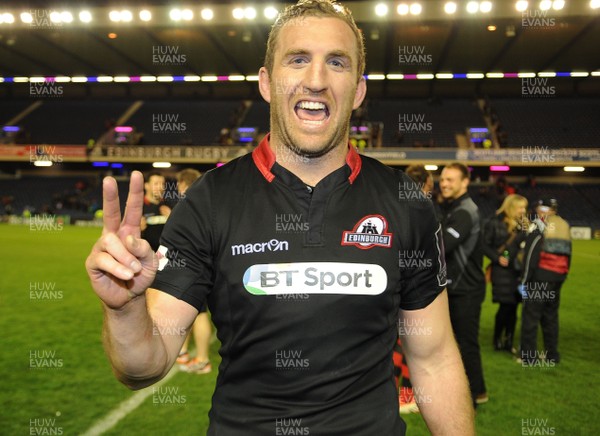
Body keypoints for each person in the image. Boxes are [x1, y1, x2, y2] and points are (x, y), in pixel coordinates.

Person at [85, 2, 474, 435]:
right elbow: (143, 366)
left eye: (337, 63)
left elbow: (433, 358)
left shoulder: (405, 202)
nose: (316, 80)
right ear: (267, 82)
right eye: (298, 59)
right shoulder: (210, 201)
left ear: (359, 90)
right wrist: (125, 308)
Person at [439, 162, 487, 406]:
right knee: (454, 343)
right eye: (443, 179)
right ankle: (467, 392)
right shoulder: (454, 208)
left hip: (466, 289)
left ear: (465, 182)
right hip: (457, 288)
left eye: (450, 180)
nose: (444, 183)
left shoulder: (465, 211)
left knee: (466, 344)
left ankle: (475, 394)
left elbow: (442, 246)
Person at [394, 164, 434, 414]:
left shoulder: (392, 204)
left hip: (396, 284)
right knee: (414, 343)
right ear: (423, 184)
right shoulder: (417, 210)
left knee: (402, 342)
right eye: (429, 185)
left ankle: (404, 393)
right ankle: (407, 395)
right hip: (413, 287)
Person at [518, 197, 571, 365]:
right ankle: (552, 355)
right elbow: (569, 255)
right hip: (557, 277)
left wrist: (524, 281)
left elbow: (530, 257)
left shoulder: (539, 225)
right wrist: (562, 277)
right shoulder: (564, 224)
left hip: (540, 277)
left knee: (531, 317)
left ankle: (528, 357)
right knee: (550, 317)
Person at [173, 169, 213, 375]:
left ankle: (203, 359)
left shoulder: (192, 205)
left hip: (195, 267)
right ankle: (184, 353)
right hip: (202, 266)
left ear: (183, 185)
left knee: (199, 313)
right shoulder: (208, 203)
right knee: (191, 312)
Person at [482, 194, 528, 352]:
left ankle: (508, 341)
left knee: (514, 307)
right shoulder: (495, 222)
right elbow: (484, 245)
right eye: (520, 207)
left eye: (524, 207)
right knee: (505, 306)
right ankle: (497, 340)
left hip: (518, 272)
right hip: (501, 271)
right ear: (511, 207)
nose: (523, 210)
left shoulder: (524, 225)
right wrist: (497, 257)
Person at [140, 171, 171, 252]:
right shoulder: (138, 207)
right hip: (145, 255)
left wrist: (172, 219)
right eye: (156, 184)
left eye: (162, 184)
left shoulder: (170, 206)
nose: (160, 187)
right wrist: (138, 229)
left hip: (167, 255)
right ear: (146, 186)